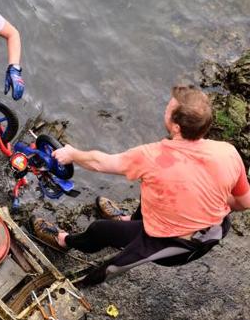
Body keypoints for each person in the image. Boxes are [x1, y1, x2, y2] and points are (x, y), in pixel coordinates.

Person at [32, 84, 250, 285]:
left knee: (101, 233)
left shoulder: (152, 156)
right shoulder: (228, 152)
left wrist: (72, 154)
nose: (165, 107)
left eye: (168, 108)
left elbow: (101, 163)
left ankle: (64, 244)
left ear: (175, 127)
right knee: (156, 190)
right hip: (215, 230)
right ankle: (128, 221)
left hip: (176, 246)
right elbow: (243, 201)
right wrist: (207, 200)